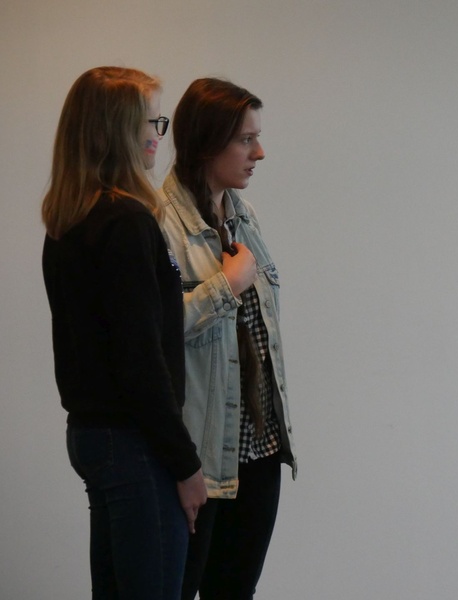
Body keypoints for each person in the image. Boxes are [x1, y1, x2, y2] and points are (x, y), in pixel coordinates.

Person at [41, 66, 207, 600]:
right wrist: (185, 464)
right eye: (148, 121)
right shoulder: (127, 221)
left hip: (94, 435)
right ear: (114, 130)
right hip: (134, 442)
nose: (157, 135)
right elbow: (140, 361)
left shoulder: (69, 221)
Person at [158, 78, 297, 600]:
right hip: (200, 457)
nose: (259, 153)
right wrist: (225, 287)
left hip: (259, 449)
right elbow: (152, 333)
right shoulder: (159, 224)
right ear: (205, 142)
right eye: (246, 140)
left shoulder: (244, 217)